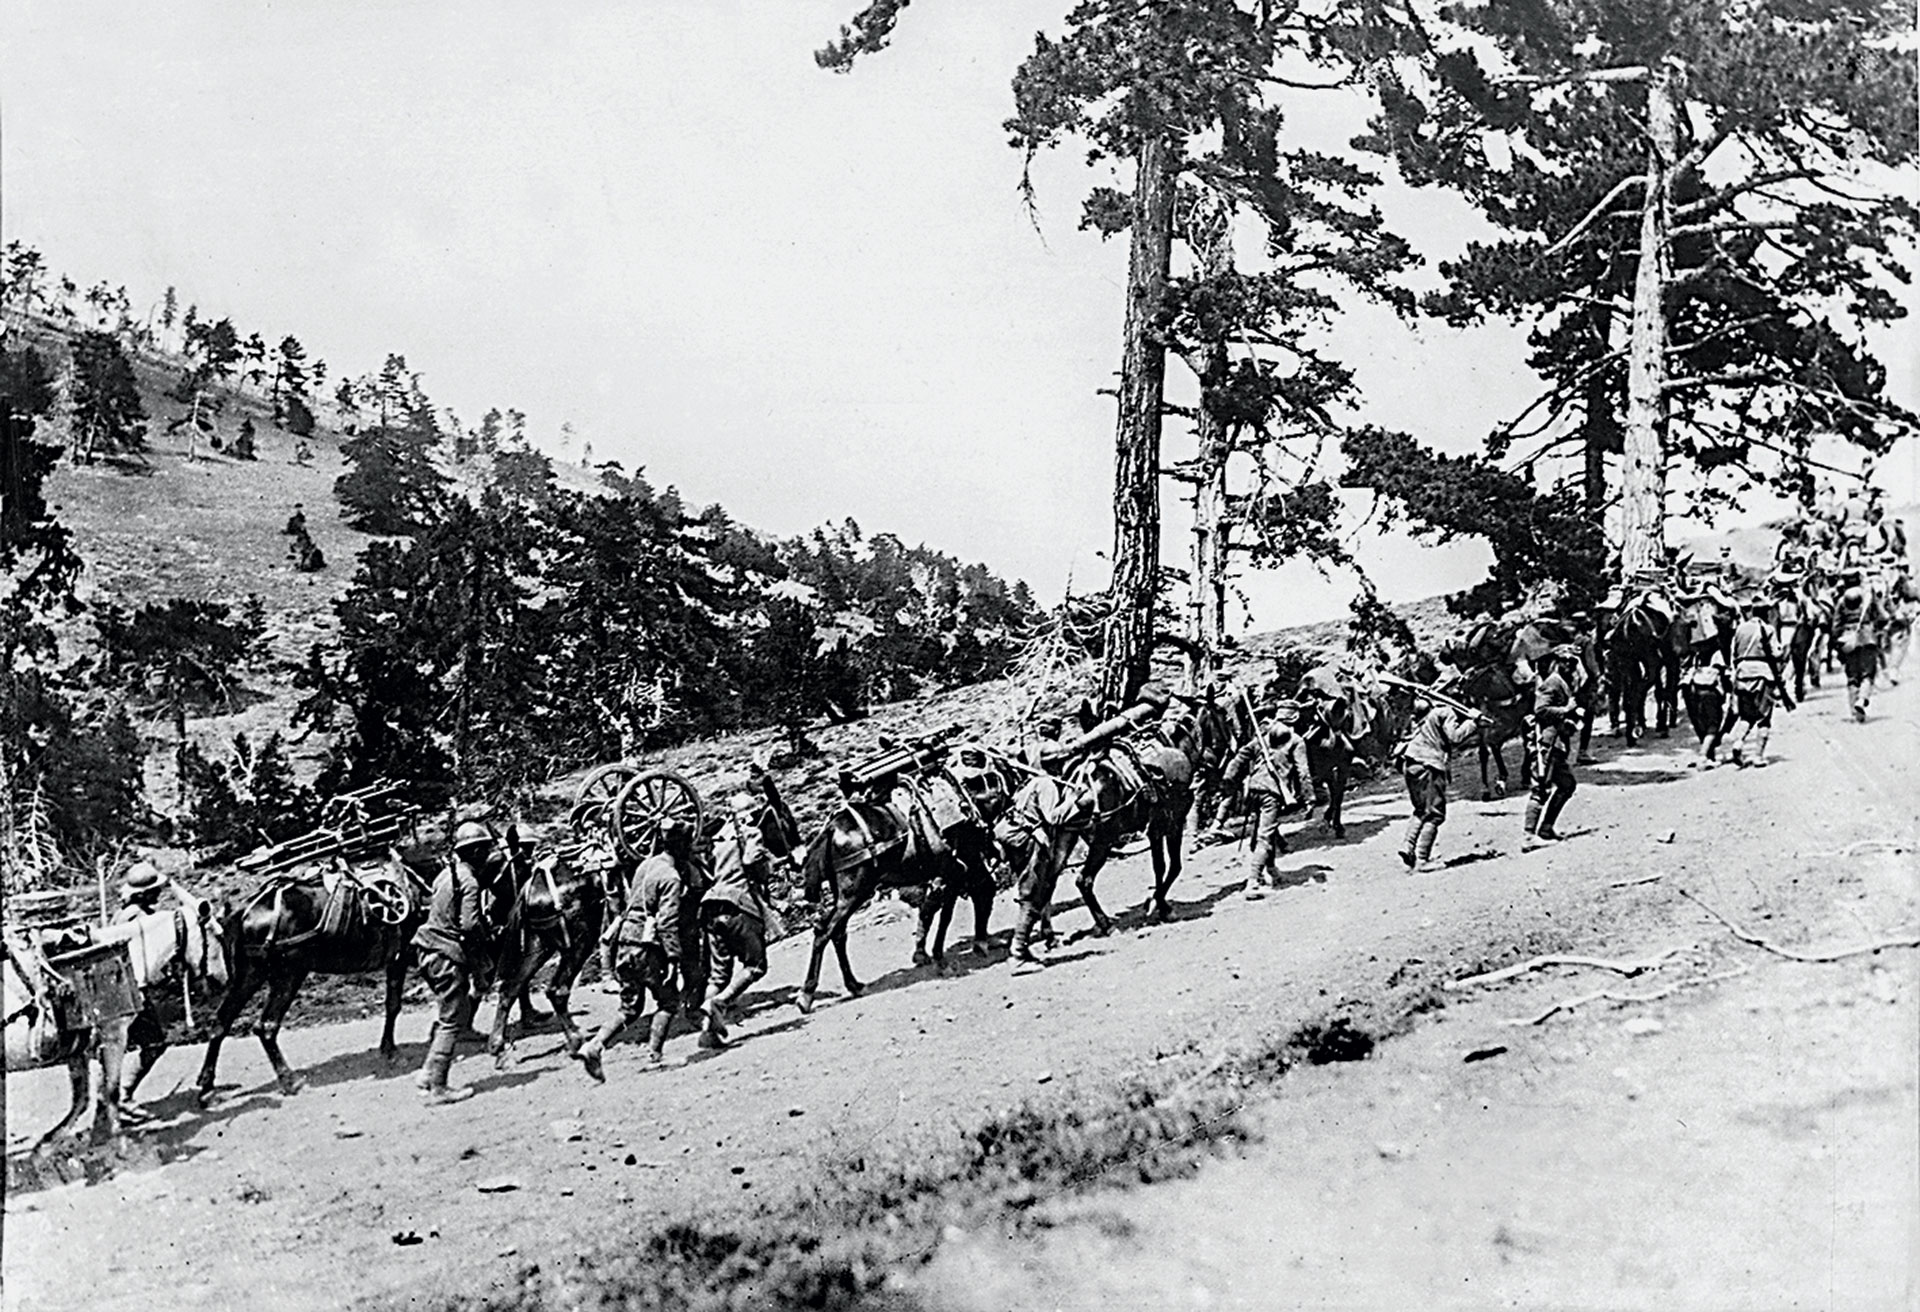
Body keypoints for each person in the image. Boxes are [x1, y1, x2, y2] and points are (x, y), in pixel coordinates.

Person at [573, 823, 698, 1081]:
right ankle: (654, 1057)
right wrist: (673, 958)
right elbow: (666, 921)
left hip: (624, 942)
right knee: (668, 1001)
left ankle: (595, 1045)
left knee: (630, 1008)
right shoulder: (671, 878)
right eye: (687, 845)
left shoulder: (646, 866)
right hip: (646, 947)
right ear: (680, 846)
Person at [410, 822, 495, 1104]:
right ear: (477, 851)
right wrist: (484, 947)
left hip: (427, 949)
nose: (488, 854)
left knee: (449, 1014)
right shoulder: (469, 882)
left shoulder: (446, 875)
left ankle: (427, 1073)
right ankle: (438, 1087)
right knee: (451, 1021)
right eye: (485, 849)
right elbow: (469, 926)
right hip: (446, 955)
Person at [699, 792, 779, 1046]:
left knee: (717, 976)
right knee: (756, 966)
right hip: (739, 905)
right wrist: (766, 865)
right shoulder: (750, 834)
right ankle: (721, 1003)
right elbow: (753, 863)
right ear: (749, 813)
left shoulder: (714, 837)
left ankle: (708, 1033)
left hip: (711, 906)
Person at [1221, 701, 1312, 899]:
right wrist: (1309, 797)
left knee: (1263, 833)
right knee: (1264, 837)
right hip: (1271, 793)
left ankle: (1271, 871)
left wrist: (1229, 780)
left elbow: (1240, 758)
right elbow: (1303, 772)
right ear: (1295, 719)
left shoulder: (1262, 738)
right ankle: (1252, 882)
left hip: (1252, 790)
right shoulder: (1296, 741)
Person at [1395, 694, 1483, 872]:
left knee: (1421, 810)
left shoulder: (1425, 714)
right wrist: (1473, 722)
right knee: (1435, 814)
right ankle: (1422, 859)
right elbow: (1455, 737)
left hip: (1411, 763)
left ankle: (1408, 846)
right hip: (1429, 765)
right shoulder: (1445, 711)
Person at [114, 862, 175, 1109]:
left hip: (128, 987)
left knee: (145, 1044)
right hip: (132, 990)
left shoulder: (129, 914)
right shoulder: (138, 919)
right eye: (155, 890)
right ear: (143, 894)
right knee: (154, 1043)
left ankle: (121, 1095)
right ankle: (123, 1095)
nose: (159, 894)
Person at [1728, 596, 1794, 765]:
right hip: (1763, 675)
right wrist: (1785, 651)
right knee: (1764, 718)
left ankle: (1738, 742)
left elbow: (1734, 653)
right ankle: (1758, 756)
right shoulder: (1768, 629)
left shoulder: (1741, 629)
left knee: (1746, 716)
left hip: (1742, 674)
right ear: (1766, 613)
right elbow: (1775, 654)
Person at [1523, 648, 1580, 844]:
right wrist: (1566, 710)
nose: (1571, 666)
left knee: (1567, 785)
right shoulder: (1552, 682)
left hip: (1557, 744)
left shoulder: (1562, 682)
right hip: (1546, 743)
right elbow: (1541, 710)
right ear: (1558, 662)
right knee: (1540, 788)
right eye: (1567, 662)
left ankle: (1546, 828)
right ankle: (1529, 836)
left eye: (1573, 662)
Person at [1832, 568, 1885, 722]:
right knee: (1868, 674)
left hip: (1848, 640)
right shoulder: (1868, 597)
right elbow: (1882, 616)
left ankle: (1856, 711)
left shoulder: (1842, 601)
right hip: (1868, 638)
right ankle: (1862, 699)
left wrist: (1838, 643)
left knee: (1852, 677)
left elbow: (1836, 625)